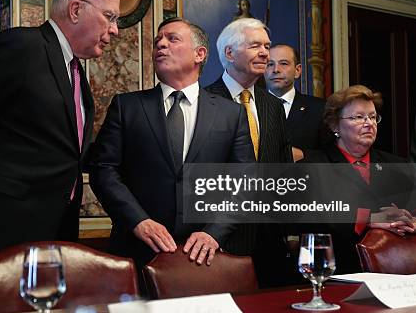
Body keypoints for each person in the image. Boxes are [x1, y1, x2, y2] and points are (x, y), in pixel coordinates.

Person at [0, 0, 120, 268]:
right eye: (110, 16)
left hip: (51, 238)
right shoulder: (21, 47)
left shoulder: (75, 72)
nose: (116, 30)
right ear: (76, 9)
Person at [89, 17, 254, 270]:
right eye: (157, 41)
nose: (160, 45)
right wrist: (138, 221)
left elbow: (245, 182)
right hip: (135, 254)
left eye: (172, 39)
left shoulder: (231, 114)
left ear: (200, 54)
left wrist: (214, 232)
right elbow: (104, 170)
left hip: (204, 256)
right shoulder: (127, 107)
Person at [301, 85, 416, 273]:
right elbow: (310, 216)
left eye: (372, 117)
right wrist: (369, 218)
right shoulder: (313, 166)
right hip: (336, 270)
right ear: (334, 125)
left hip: (397, 274)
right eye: (358, 117)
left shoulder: (397, 165)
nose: (368, 123)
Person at [205, 18, 293, 286]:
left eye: (266, 45)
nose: (265, 53)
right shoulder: (203, 102)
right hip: (219, 238)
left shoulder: (273, 106)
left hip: (270, 240)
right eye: (255, 46)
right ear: (229, 53)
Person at [264, 44, 329, 160]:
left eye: (283, 63)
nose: (276, 70)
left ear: (297, 71)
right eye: (270, 64)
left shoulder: (320, 109)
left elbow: (331, 156)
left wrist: (302, 155)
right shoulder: (247, 108)